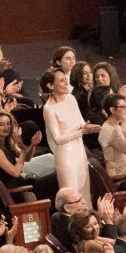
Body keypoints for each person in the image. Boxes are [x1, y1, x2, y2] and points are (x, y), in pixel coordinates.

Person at [43, 67, 95, 204]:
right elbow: (58, 139)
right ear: (50, 86)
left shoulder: (71, 98)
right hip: (66, 157)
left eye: (65, 79)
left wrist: (88, 127)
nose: (66, 83)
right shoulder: (49, 109)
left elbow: (80, 122)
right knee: (72, 198)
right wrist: (80, 132)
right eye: (61, 81)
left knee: (85, 193)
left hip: (80, 151)